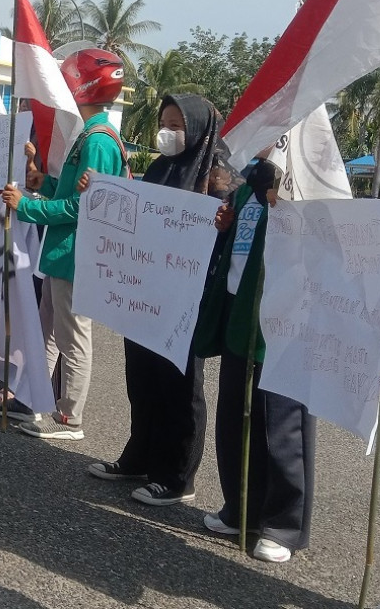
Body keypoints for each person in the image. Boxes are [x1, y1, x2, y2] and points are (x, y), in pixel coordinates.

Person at [88, 94, 240, 508]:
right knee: (142, 379)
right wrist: (99, 191)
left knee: (180, 387)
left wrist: (225, 224)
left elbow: (237, 233)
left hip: (187, 300)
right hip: (145, 292)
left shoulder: (221, 176)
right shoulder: (159, 167)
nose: (168, 132)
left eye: (178, 125)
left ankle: (177, 477)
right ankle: (139, 457)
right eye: (164, 123)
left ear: (198, 129)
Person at [0, 49, 128, 439]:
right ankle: (34, 398)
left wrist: (29, 208)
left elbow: (86, 207)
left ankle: (70, 416)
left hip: (76, 254)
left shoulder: (99, 140)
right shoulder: (86, 135)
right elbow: (68, 191)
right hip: (60, 252)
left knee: (73, 337)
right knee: (48, 331)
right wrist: (43, 184)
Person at [193, 155, 316, 563]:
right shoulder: (250, 185)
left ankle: (283, 524)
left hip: (282, 324)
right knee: (235, 416)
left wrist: (290, 207)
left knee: (281, 424)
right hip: (239, 314)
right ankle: (240, 508)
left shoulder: (304, 185)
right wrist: (226, 228)